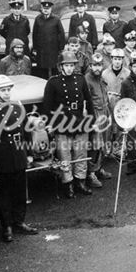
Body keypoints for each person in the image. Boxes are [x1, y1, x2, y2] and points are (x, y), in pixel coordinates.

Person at [0, 75, 40, 243]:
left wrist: (28, 153)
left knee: (20, 192)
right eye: (3, 90)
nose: (6, 93)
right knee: (4, 195)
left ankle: (19, 222)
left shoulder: (18, 106)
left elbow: (26, 131)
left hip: (18, 156)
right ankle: (7, 227)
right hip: (1, 159)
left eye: (8, 90)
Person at [41, 50, 96, 198]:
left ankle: (80, 181)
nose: (70, 68)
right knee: (65, 155)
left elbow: (89, 101)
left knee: (80, 153)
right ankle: (68, 183)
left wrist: (92, 121)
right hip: (62, 123)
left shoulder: (80, 79)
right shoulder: (53, 82)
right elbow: (47, 106)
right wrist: (49, 124)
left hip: (79, 121)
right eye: (67, 65)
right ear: (60, 66)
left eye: (72, 65)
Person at [83, 52, 113, 189]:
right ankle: (91, 173)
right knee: (94, 145)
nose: (97, 68)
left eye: (99, 65)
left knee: (103, 143)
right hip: (94, 114)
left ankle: (99, 168)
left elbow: (105, 97)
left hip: (104, 112)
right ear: (90, 65)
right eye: (94, 65)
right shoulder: (86, 80)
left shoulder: (101, 79)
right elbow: (86, 103)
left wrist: (109, 114)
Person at [31, 0, 66, 79]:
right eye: (44, 8)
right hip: (42, 50)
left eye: (48, 8)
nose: (46, 10)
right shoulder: (38, 19)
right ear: (42, 9)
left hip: (53, 49)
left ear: (51, 9)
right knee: (42, 69)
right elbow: (35, 34)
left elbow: (61, 34)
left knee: (54, 68)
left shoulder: (56, 19)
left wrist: (61, 48)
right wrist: (35, 48)